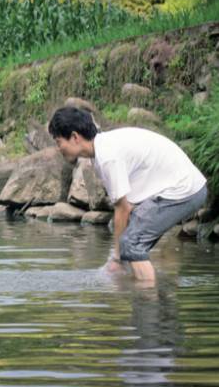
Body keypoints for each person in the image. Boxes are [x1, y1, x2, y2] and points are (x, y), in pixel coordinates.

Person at [48, 106, 207, 282]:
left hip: (184, 190)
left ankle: (147, 299)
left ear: (75, 137)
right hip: (183, 188)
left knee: (131, 244)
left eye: (58, 142)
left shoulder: (108, 156)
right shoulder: (102, 150)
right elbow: (128, 209)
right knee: (131, 243)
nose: (59, 148)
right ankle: (155, 293)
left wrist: (115, 257)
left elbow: (123, 208)